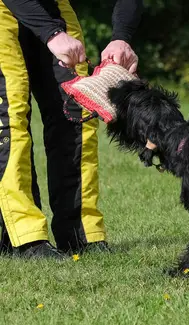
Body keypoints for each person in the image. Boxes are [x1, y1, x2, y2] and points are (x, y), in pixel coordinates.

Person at [0, 0, 142, 258]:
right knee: (10, 116)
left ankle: (80, 234)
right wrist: (52, 34)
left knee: (78, 112)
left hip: (53, 5)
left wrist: (122, 38)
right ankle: (23, 239)